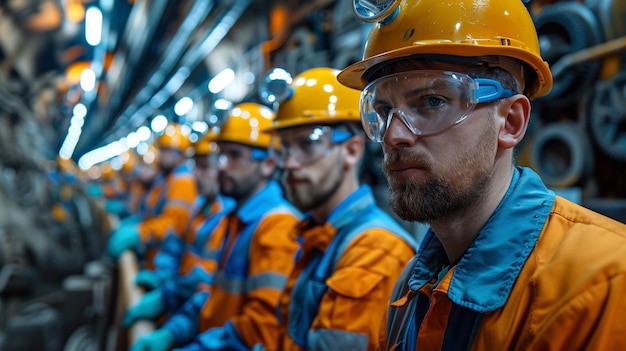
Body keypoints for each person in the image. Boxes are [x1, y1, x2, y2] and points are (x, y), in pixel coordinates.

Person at [337, 0, 626, 349]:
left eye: (431, 102)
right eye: (383, 109)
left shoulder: (602, 281)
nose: (394, 135)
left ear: (511, 122)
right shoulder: (411, 288)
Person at [263, 67, 418, 351]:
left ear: (351, 151)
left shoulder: (375, 252)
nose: (290, 163)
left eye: (308, 144)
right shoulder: (317, 237)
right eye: (283, 148)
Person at [129, 102, 302, 351]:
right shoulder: (237, 219)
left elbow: (259, 331)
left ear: (268, 165)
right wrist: (175, 330)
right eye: (221, 155)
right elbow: (213, 295)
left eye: (234, 155)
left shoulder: (278, 227)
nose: (221, 165)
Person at [123, 130, 235, 327]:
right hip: (179, 302)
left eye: (205, 168)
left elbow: (205, 276)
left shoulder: (227, 215)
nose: (197, 175)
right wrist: (162, 276)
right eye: (197, 167)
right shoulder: (198, 206)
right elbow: (175, 246)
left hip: (199, 314)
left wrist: (170, 294)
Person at [106, 123, 198, 271]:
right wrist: (138, 222)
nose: (163, 155)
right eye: (162, 150)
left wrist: (140, 232)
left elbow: (173, 225)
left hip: (167, 263)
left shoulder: (183, 181)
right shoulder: (166, 179)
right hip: (155, 258)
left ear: (182, 155)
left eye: (170, 151)